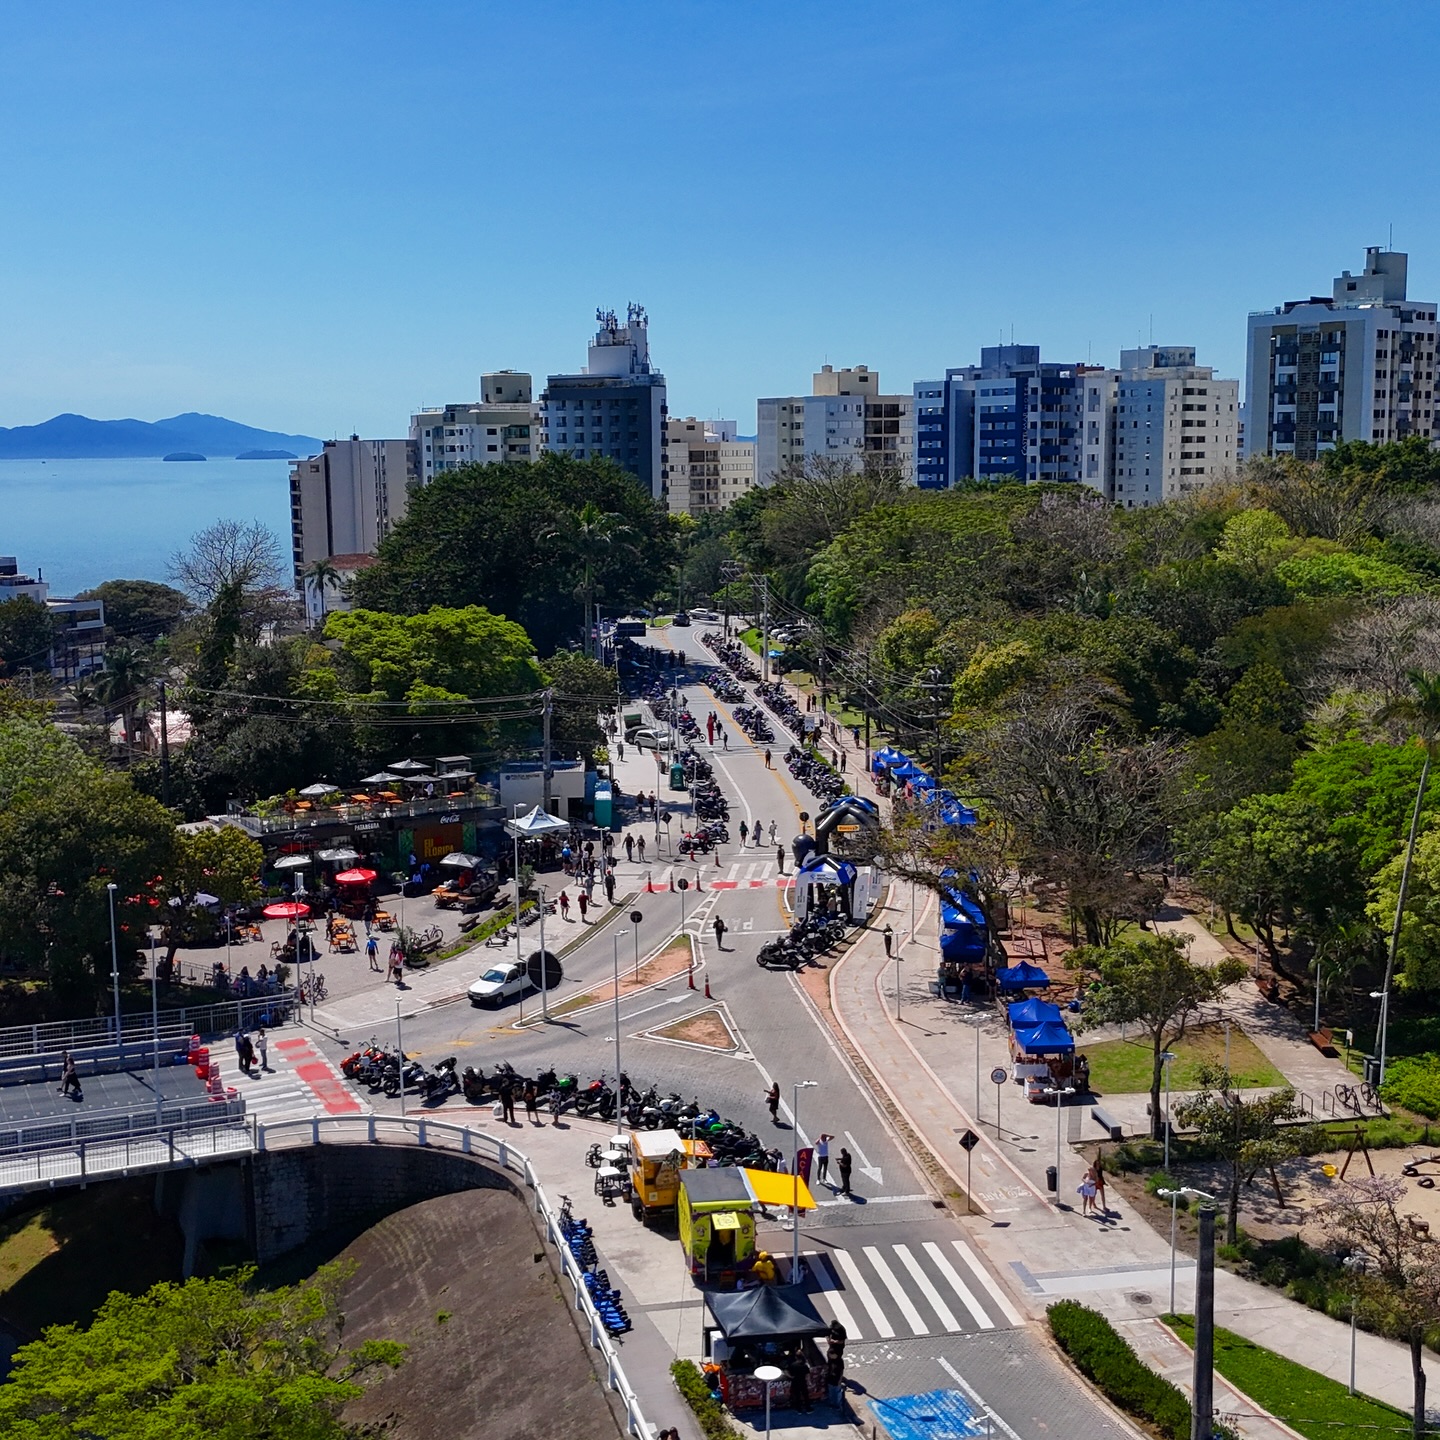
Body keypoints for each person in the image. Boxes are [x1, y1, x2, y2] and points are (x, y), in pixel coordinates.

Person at [787, 1347, 812, 1414]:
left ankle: (799, 1409)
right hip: (803, 1382)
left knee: (797, 1396)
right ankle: (808, 1409)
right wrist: (809, 1382)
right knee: (805, 1395)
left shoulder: (793, 1365)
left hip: (795, 1382)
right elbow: (808, 1375)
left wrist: (791, 1377)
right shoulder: (804, 1366)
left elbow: (788, 1372)